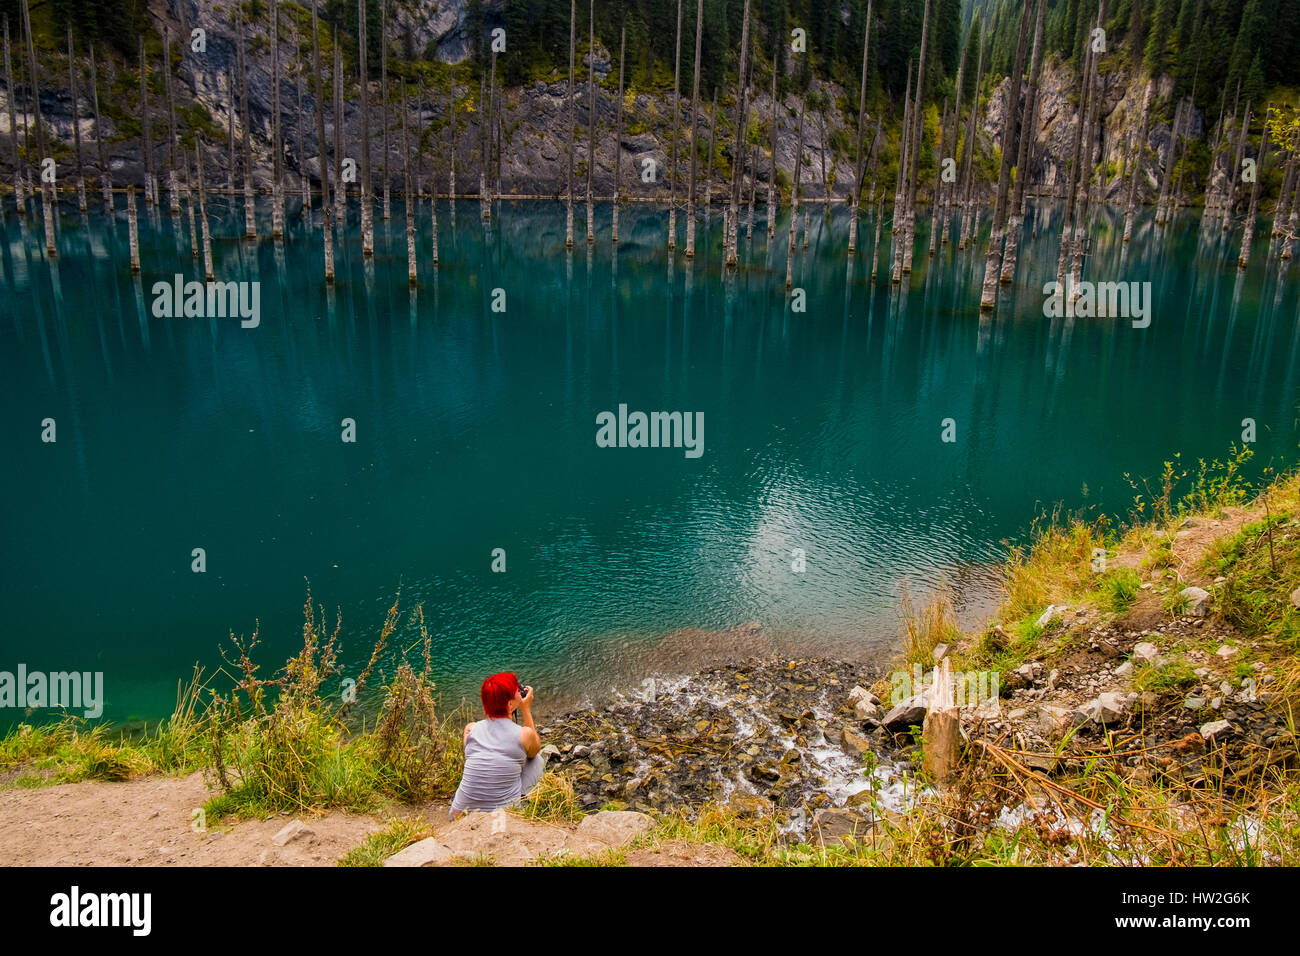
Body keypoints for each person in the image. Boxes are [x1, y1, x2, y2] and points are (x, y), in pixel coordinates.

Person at [449, 672, 548, 820]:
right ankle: (521, 801)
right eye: (517, 692)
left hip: (458, 815)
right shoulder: (524, 734)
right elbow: (534, 750)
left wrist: (494, 706)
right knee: (537, 760)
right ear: (510, 704)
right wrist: (525, 709)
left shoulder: (470, 729)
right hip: (503, 817)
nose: (520, 693)